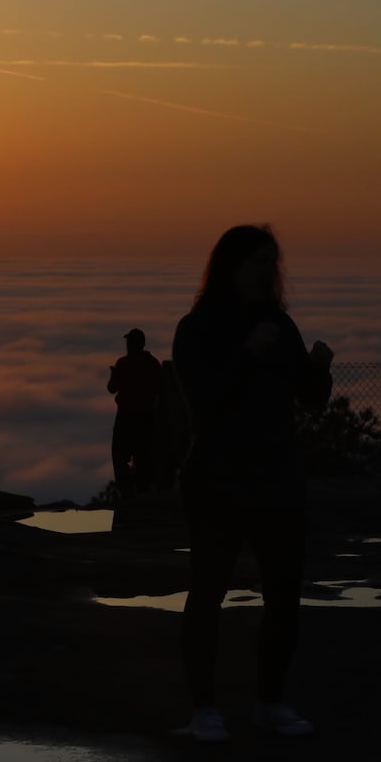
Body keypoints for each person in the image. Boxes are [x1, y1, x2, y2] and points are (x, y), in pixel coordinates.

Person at [172, 224, 332, 743]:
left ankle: (270, 703)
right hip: (218, 477)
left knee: (284, 595)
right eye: (258, 262)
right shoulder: (196, 328)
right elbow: (206, 400)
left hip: (277, 476)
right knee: (208, 593)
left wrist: (319, 369)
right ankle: (204, 710)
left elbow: (309, 399)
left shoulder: (279, 325)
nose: (268, 273)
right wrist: (248, 354)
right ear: (231, 268)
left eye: (272, 263)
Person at [108, 327, 163, 496]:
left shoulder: (123, 363)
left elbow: (111, 388)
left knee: (120, 457)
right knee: (144, 457)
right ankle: (143, 494)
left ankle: (127, 495)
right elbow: (160, 387)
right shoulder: (153, 363)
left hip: (126, 417)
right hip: (146, 417)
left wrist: (114, 374)